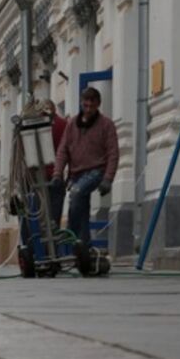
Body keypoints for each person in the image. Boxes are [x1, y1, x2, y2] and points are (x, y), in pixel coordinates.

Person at [53, 86, 119, 245]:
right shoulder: (72, 125)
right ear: (81, 103)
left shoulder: (106, 125)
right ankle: (83, 247)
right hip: (76, 173)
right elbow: (63, 151)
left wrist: (108, 179)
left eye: (92, 105)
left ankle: (70, 233)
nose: (88, 108)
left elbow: (113, 153)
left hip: (96, 171)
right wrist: (57, 173)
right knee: (80, 207)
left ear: (98, 104)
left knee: (76, 194)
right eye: (86, 104)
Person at [42, 97, 69, 229]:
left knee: (39, 216)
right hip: (57, 176)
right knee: (54, 217)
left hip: (40, 178)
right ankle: (54, 243)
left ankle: (39, 247)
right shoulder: (63, 124)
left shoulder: (36, 126)